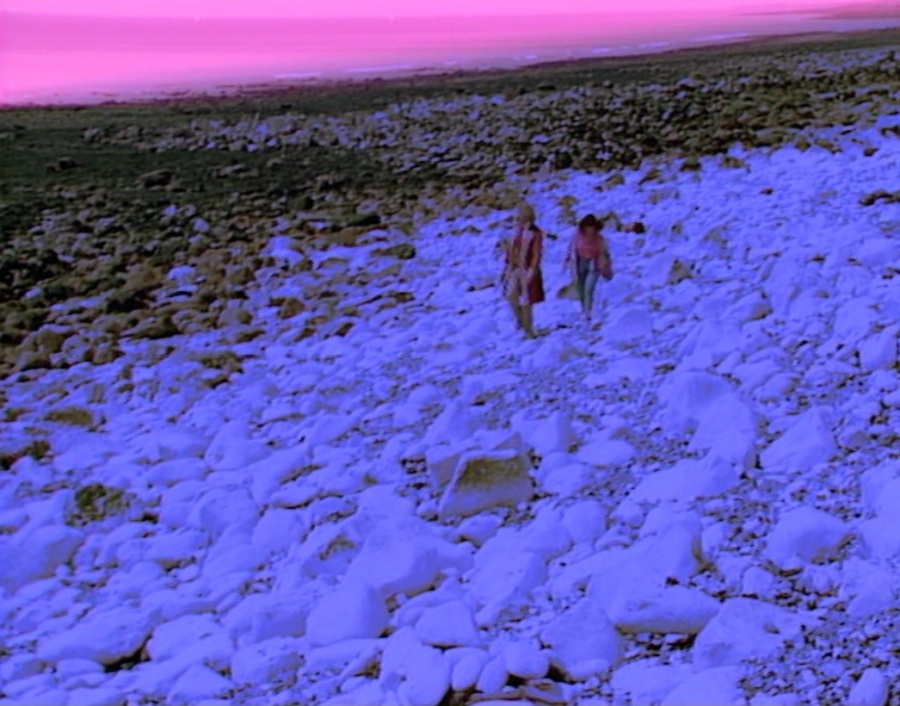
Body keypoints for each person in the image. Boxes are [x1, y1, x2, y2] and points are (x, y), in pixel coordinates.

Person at [500, 202, 545, 338]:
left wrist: (532, 269)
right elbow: (512, 250)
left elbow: (536, 253)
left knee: (526, 300)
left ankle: (528, 329)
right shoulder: (517, 232)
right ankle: (520, 321)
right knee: (511, 295)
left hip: (527, 269)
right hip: (514, 268)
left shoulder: (535, 233)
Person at [564, 214, 613, 325]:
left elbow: (605, 254)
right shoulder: (577, 235)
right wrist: (568, 261)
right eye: (587, 227)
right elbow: (571, 248)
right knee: (581, 287)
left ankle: (588, 312)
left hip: (593, 264)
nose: (589, 230)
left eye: (592, 228)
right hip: (580, 263)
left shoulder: (599, 239)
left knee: (589, 288)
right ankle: (584, 309)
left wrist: (606, 267)